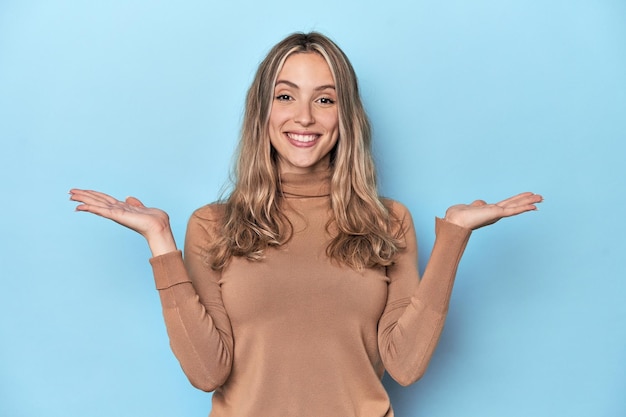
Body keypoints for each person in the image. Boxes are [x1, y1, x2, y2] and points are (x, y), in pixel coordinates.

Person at [69, 32, 542, 417]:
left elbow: (405, 365)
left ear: (346, 116)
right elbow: (207, 374)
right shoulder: (215, 225)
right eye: (285, 95)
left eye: (325, 99)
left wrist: (454, 235)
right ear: (263, 112)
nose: (304, 116)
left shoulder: (387, 222)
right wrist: (160, 243)